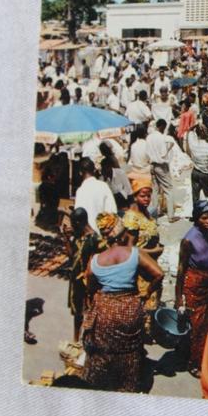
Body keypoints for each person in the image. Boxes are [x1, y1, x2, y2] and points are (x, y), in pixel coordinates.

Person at [81, 212, 163, 392]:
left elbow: (90, 288)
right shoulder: (135, 254)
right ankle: (126, 385)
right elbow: (159, 274)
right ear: (122, 231)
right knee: (130, 351)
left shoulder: (95, 260)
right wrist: (146, 293)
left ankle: (100, 384)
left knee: (103, 351)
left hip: (105, 312)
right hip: (130, 308)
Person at [175, 200, 208, 377]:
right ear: (196, 218)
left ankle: (204, 358)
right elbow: (181, 269)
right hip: (194, 284)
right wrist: (178, 297)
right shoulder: (188, 239)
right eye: (204, 218)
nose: (207, 221)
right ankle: (194, 363)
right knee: (196, 324)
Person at [122, 177, 165, 338]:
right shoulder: (132, 218)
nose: (146, 199)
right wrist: (154, 251)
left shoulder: (146, 214)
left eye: (148, 196)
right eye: (142, 196)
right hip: (140, 270)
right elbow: (131, 250)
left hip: (150, 266)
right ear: (134, 196)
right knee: (140, 307)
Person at [64, 208, 105, 342]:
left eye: (73, 223)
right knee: (77, 313)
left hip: (89, 282)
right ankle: (76, 340)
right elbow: (71, 256)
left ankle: (89, 340)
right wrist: (66, 238)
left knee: (90, 311)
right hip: (76, 281)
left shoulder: (96, 240)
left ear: (78, 222)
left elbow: (102, 262)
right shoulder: (78, 236)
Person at [146, 119, 179, 223]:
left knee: (155, 191)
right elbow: (164, 152)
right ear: (163, 127)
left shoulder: (149, 137)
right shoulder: (162, 138)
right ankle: (170, 215)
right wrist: (168, 150)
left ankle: (155, 215)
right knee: (168, 189)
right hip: (161, 165)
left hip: (152, 165)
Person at [74, 157, 117, 234]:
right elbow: (112, 211)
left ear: (80, 172)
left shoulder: (80, 191)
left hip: (88, 235)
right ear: (94, 170)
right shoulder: (103, 186)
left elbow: (78, 215)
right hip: (104, 234)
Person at [187, 124, 208, 205]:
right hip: (206, 174)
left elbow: (189, 131)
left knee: (195, 196)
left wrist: (195, 125)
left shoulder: (193, 144)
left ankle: (196, 213)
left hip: (195, 172)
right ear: (205, 133)